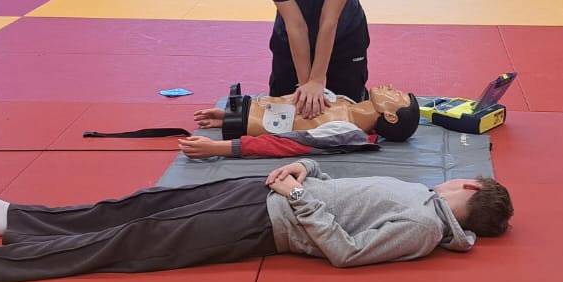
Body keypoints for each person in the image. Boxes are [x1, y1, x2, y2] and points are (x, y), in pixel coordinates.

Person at [0, 159, 513, 282]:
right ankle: (16, 220)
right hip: (267, 194)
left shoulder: (424, 227)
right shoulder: (419, 197)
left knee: (136, 240)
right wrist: (306, 170)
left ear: (470, 189)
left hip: (265, 221)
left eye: (459, 179)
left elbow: (348, 251)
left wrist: (298, 196)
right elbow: (347, 195)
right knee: (140, 206)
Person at [178, 83, 419, 159]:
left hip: (245, 127)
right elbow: (289, 107)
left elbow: (287, 144)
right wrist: (230, 115)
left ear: (391, 116)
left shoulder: (346, 131)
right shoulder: (347, 102)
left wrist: (217, 148)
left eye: (397, 96)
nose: (392, 88)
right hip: (247, 114)